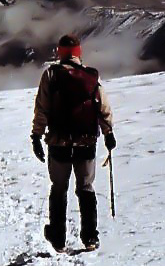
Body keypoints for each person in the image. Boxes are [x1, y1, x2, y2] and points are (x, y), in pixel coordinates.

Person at [31, 33, 115, 252]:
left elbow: (42, 108)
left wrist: (36, 136)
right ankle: (90, 238)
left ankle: (58, 239)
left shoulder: (51, 75)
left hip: (59, 142)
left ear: (60, 53)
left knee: (59, 188)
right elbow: (102, 107)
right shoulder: (90, 77)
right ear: (78, 53)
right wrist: (108, 133)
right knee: (86, 187)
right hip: (86, 142)